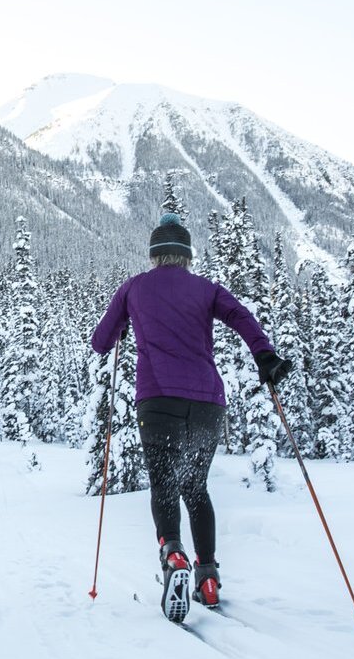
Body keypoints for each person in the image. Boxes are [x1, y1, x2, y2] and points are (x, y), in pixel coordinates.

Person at [89, 213, 290, 622]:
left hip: (158, 401)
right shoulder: (206, 289)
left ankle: (173, 556)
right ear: (186, 256)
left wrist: (127, 325)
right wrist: (264, 356)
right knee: (195, 488)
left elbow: (99, 342)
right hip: (206, 403)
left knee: (163, 483)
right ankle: (208, 577)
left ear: (155, 254)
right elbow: (241, 317)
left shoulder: (134, 289)